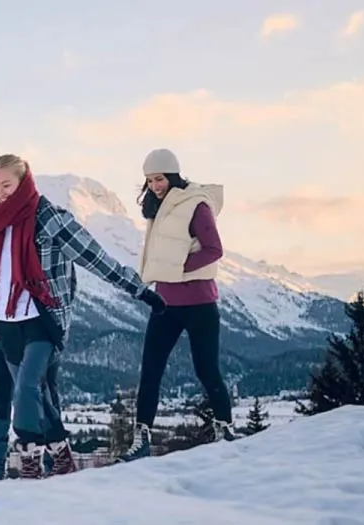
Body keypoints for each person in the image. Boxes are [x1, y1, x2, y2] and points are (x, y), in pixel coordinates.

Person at [0, 153, 164, 481]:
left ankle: (29, 460)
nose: (0, 192)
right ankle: (61, 457)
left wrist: (141, 292)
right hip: (4, 322)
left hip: (43, 321)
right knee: (38, 394)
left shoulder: (50, 218)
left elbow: (98, 260)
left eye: (7, 185)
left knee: (26, 387)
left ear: (23, 181)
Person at [119, 148, 234, 463]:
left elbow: (214, 249)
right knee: (151, 370)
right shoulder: (159, 210)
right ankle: (141, 439)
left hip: (200, 303)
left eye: (159, 178)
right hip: (166, 304)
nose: (155, 185)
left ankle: (225, 429)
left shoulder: (196, 204)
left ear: (173, 175)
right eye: (150, 180)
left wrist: (177, 269)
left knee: (206, 369)